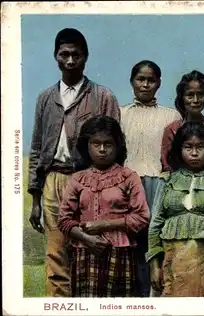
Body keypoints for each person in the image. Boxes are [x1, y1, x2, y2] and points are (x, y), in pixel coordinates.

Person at [27, 28, 121, 297]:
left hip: (90, 182)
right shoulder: (45, 98)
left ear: (86, 57)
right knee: (56, 255)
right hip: (53, 180)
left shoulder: (102, 97)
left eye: (76, 55)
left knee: (91, 253)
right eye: (64, 54)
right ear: (55, 56)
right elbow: (36, 148)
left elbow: (116, 147)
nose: (70, 61)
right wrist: (35, 199)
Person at [57, 115, 149, 297]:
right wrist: (86, 238)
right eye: (96, 144)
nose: (102, 150)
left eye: (108, 144)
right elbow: (64, 219)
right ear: (87, 145)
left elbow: (142, 217)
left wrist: (103, 225)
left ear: (117, 146)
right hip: (85, 252)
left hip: (120, 253)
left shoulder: (129, 177)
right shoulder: (78, 179)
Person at [147, 122, 204, 297]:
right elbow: (155, 223)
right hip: (171, 260)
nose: (194, 153)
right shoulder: (168, 181)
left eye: (200, 147)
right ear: (179, 149)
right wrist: (154, 265)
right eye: (188, 147)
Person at [120, 60, 182, 297]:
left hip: (160, 184)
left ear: (159, 83)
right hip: (128, 184)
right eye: (140, 79)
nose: (145, 85)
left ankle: (156, 298)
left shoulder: (170, 115)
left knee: (157, 242)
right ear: (132, 82)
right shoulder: (121, 112)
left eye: (151, 80)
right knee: (130, 242)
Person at [160, 70, 204, 172]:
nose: (196, 100)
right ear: (182, 98)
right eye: (190, 95)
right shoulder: (173, 129)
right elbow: (167, 165)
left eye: (200, 95)